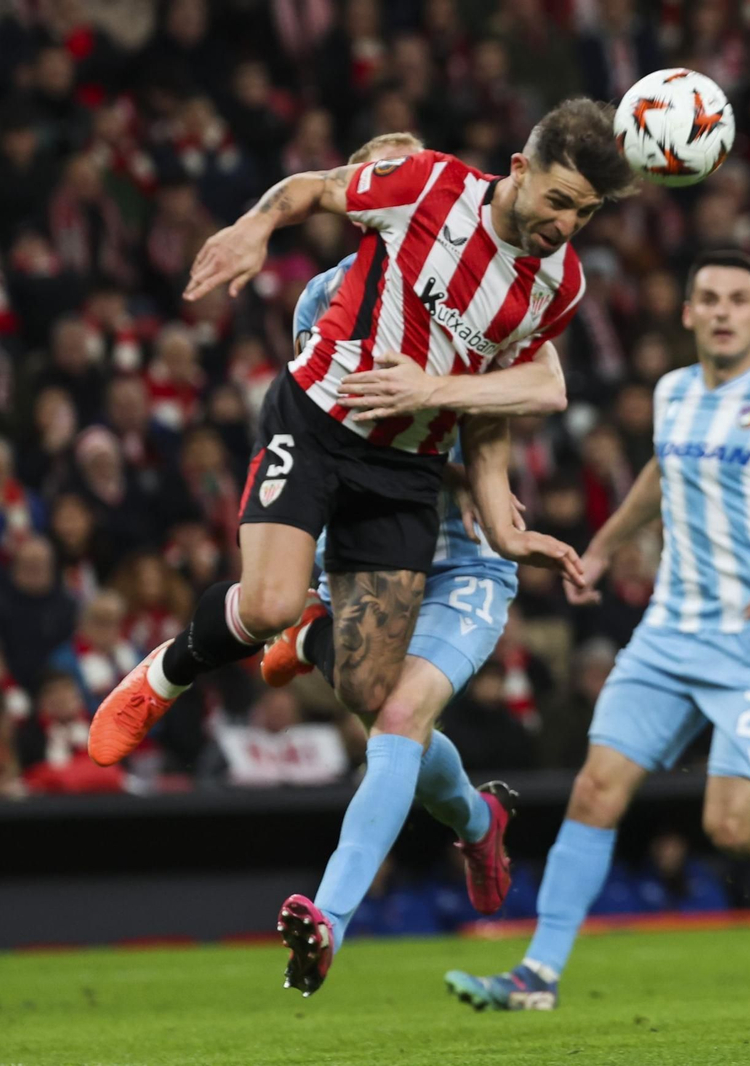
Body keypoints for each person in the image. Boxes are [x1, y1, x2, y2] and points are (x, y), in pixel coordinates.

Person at [86, 101, 632, 991]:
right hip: (317, 426)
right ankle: (162, 678)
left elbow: (505, 406)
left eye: (585, 214)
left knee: (377, 698)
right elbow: (307, 190)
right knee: (265, 604)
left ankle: (329, 659)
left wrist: (503, 523)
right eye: (561, 201)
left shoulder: (554, 284)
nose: (566, 226)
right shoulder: (403, 216)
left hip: (411, 478)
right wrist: (252, 227)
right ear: (518, 167)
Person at [443, 250, 750, 1011]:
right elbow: (660, 471)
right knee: (595, 790)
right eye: (707, 298)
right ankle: (537, 976)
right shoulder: (672, 391)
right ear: (686, 313)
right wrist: (608, 547)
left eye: (737, 300)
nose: (721, 311)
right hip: (665, 637)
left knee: (733, 828)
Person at [253, 129, 586, 998]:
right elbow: (352, 443)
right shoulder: (325, 306)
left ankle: (328, 918)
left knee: (399, 718)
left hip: (466, 558)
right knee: (389, 717)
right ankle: (480, 818)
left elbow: (519, 398)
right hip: (370, 537)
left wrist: (486, 483)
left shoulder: (498, 290)